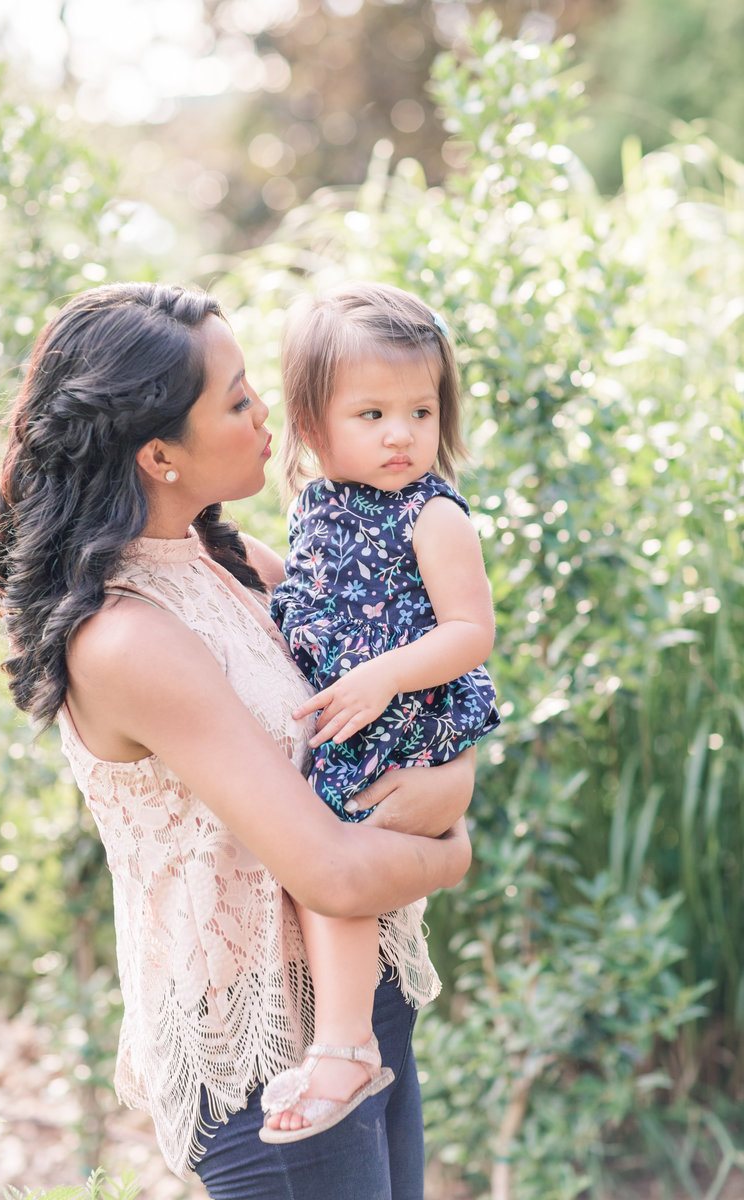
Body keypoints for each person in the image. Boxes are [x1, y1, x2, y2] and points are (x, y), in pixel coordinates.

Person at [0, 281, 477, 1200]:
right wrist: (454, 850)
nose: (268, 416)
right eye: (239, 400)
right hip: (263, 1054)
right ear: (159, 454)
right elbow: (332, 873)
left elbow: (405, 697)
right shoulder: (128, 637)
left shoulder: (237, 563)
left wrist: (454, 780)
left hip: (360, 1004)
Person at [259, 282, 500, 1143]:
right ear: (311, 424)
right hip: (360, 711)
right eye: (372, 414)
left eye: (420, 412)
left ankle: (345, 1043)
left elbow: (471, 630)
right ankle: (343, 1035)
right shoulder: (318, 505)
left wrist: (385, 679)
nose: (401, 435)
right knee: (322, 846)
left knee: (330, 847)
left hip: (401, 710)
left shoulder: (430, 513)